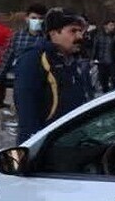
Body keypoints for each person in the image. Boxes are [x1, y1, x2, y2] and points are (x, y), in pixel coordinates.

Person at [13, 9, 91, 144]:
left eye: (80, 31)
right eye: (73, 31)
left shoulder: (73, 62)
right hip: (47, 143)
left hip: (72, 139)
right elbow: (26, 106)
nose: (79, 36)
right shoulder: (34, 59)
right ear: (53, 33)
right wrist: (33, 144)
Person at [0, 3, 49, 110]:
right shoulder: (17, 36)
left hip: (43, 83)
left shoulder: (48, 38)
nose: (37, 21)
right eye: (34, 18)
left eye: (40, 18)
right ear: (27, 18)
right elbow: (7, 59)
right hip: (21, 82)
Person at [92, 19, 115, 91]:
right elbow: (95, 47)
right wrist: (93, 58)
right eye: (111, 25)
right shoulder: (99, 36)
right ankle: (105, 93)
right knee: (103, 79)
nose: (113, 27)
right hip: (101, 61)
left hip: (112, 61)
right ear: (105, 26)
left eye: (113, 25)